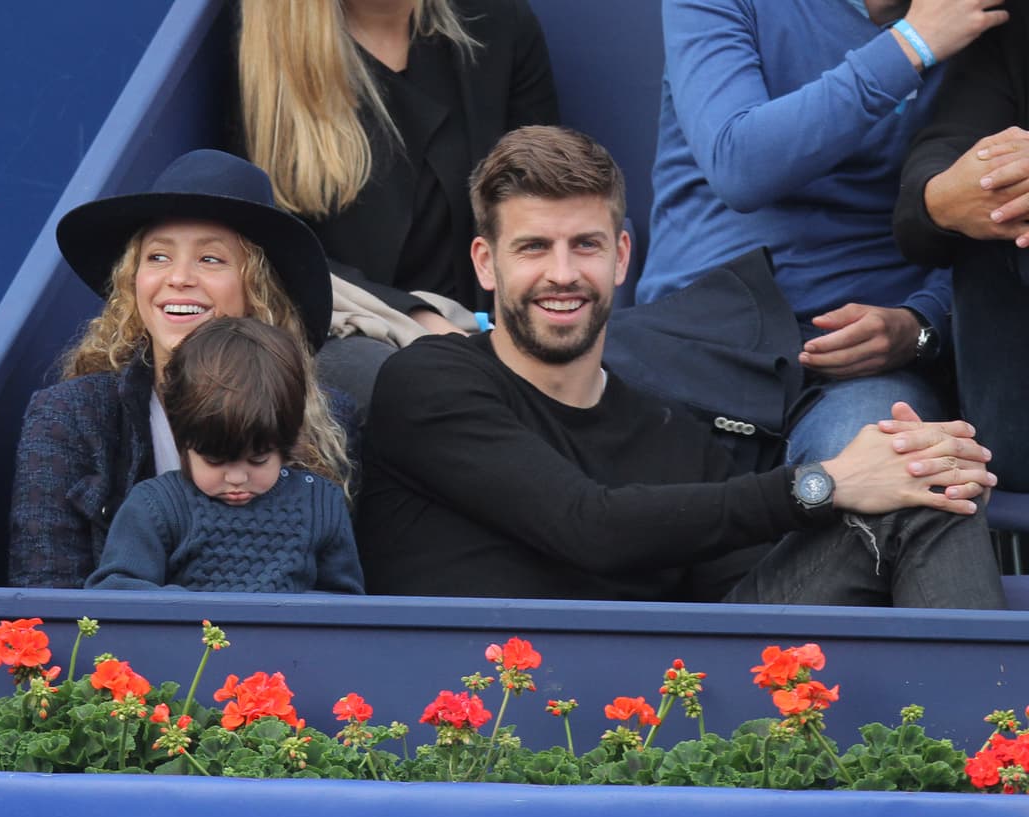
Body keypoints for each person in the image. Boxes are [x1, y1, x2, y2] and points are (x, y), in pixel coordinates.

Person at [356, 125, 1006, 608]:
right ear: (484, 263)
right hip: (472, 733)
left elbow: (745, 606)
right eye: (532, 248)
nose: (561, 274)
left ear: (620, 258)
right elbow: (587, 525)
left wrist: (910, 467)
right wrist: (825, 483)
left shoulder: (669, 436)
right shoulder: (429, 381)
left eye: (584, 245)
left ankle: (997, 771)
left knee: (933, 483)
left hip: (659, 729)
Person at [636, 0, 1010, 465]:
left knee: (891, 466)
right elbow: (740, 165)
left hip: (862, 369)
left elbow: (986, 209)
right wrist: (912, 45)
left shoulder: (985, 18)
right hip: (697, 339)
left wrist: (922, 323)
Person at [8, 149, 350, 588]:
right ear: (133, 282)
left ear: (257, 288)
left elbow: (340, 600)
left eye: (210, 259)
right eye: (157, 257)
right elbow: (44, 594)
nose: (179, 278)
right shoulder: (70, 417)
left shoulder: (328, 420)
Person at [237, 0, 558, 319]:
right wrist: (418, 319)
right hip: (354, 330)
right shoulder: (268, 63)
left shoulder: (495, 24)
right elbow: (277, 253)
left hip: (493, 325)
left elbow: (543, 201)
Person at [85, 318, 364, 593]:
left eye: (258, 460)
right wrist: (188, 610)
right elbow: (116, 590)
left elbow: (343, 605)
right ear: (183, 440)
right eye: (215, 461)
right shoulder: (156, 505)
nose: (237, 478)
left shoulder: (321, 503)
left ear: (287, 444)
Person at [894, 0, 1029, 491]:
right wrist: (944, 199)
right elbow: (935, 172)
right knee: (1001, 211)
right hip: (1014, 420)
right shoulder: (1011, 27)